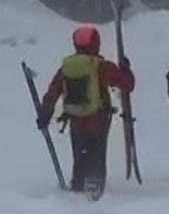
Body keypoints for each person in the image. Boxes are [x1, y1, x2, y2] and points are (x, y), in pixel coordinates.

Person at [37, 24, 134, 197]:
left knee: (80, 155)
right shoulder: (101, 66)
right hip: (98, 118)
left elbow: (53, 92)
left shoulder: (67, 67)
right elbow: (127, 84)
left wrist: (45, 114)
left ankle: (78, 188)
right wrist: (126, 69)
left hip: (75, 119)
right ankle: (94, 191)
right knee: (97, 154)